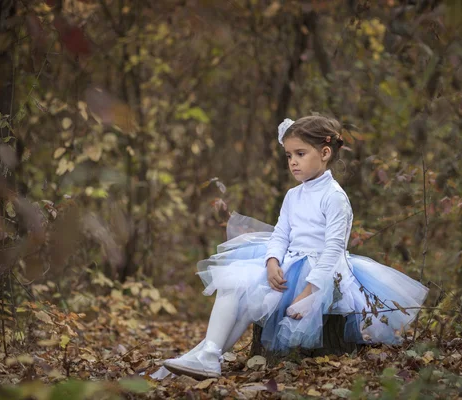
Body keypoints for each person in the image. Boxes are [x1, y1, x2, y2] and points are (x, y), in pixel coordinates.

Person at [150, 115, 428, 380]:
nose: (293, 162)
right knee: (237, 285)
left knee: (249, 299)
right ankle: (209, 354)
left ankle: (208, 354)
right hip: (288, 262)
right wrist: (272, 260)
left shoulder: (334, 198)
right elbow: (281, 233)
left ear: (325, 153)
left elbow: (333, 250)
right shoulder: (293, 195)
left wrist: (309, 292)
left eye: (300, 154)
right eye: (289, 156)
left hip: (320, 273)